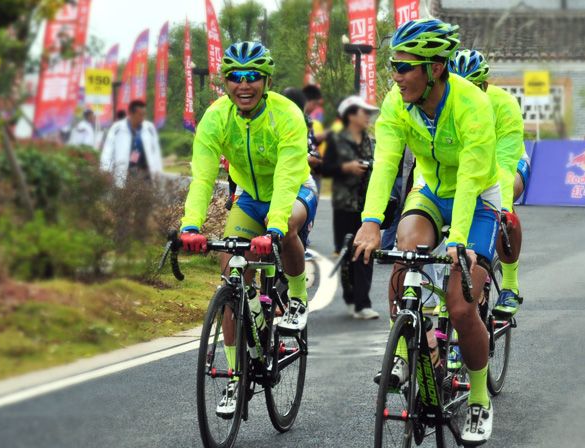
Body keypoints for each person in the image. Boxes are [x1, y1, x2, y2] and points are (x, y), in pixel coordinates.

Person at [351, 19, 500, 447]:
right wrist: (371, 220)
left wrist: (458, 243)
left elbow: (472, 180)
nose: (394, 76)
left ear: (434, 68)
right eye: (392, 67)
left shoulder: (473, 105)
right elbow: (386, 165)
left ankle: (477, 398)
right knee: (405, 252)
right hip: (431, 190)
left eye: (403, 67)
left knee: (460, 304)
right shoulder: (398, 103)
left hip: (478, 198)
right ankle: (406, 350)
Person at [178, 41, 316, 414]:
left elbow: (288, 178)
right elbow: (203, 177)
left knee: (285, 229)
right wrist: (190, 225)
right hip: (251, 197)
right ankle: (236, 375)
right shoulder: (216, 116)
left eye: (253, 76)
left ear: (266, 80)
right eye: (235, 77)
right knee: (232, 277)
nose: (244, 84)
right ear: (225, 81)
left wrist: (272, 227)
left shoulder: (286, 114)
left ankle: (298, 296)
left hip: (294, 191)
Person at [449, 49, 527, 318]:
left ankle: (510, 284)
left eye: (472, 87)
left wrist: (502, 207)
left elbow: (504, 166)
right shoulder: (447, 104)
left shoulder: (504, 104)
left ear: (485, 84)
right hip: (469, 162)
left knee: (505, 215)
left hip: (506, 162)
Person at [322, 95, 380, 320]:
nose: (367, 117)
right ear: (350, 115)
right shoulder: (336, 139)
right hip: (344, 205)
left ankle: (363, 303)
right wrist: (347, 167)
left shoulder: (370, 141)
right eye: (363, 112)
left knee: (365, 253)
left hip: (366, 207)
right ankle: (350, 297)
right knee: (347, 255)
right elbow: (326, 168)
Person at [99, 100, 163, 187]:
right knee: (125, 198)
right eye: (140, 114)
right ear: (132, 114)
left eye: (144, 114)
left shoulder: (149, 128)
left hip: (146, 175)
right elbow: (107, 151)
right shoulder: (117, 128)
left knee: (146, 199)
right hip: (125, 173)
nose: (143, 117)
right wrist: (106, 171)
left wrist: (158, 173)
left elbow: (156, 152)